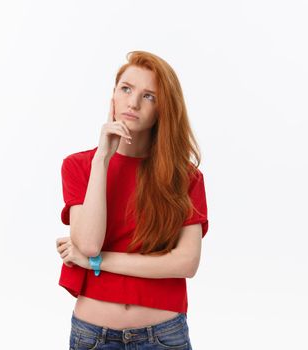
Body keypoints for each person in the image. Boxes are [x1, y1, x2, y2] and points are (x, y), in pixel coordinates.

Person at [56, 51, 209, 350]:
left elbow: (186, 263)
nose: (133, 102)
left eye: (149, 96)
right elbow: (88, 243)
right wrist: (102, 158)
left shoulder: (185, 177)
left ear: (162, 109)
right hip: (93, 336)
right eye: (126, 89)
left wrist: (95, 263)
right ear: (112, 95)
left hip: (163, 337)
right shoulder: (79, 166)